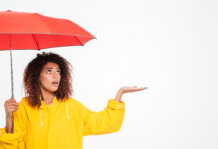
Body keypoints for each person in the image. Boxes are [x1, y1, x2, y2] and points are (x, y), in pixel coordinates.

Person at [0, 52, 148, 149]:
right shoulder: (24, 107)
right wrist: (8, 117)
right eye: (49, 71)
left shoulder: (72, 106)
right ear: (36, 76)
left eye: (58, 71)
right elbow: (11, 146)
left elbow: (104, 123)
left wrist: (119, 94)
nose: (55, 76)